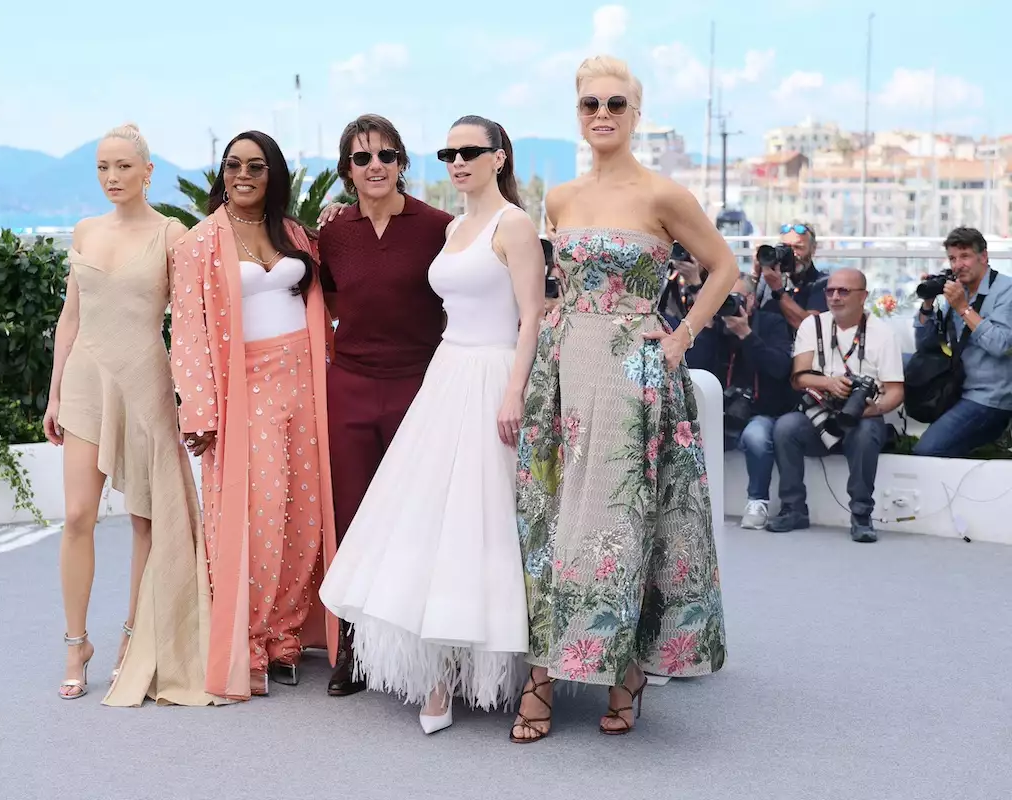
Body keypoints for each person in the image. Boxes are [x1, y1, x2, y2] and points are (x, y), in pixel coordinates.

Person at [513, 56, 735, 743]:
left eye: (615, 103)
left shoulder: (662, 194)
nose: (601, 114)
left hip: (635, 375)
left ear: (636, 114)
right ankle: (546, 669)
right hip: (564, 369)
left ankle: (619, 670)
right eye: (589, 104)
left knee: (618, 523)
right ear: (577, 115)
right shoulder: (560, 198)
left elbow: (724, 266)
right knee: (552, 517)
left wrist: (682, 337)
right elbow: (550, 285)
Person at [319, 116, 544, 734]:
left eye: (472, 151)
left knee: (487, 524)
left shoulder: (513, 224)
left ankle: (500, 669)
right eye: (450, 151)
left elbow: (532, 317)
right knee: (430, 524)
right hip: (444, 375)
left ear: (500, 158)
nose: (459, 159)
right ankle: (437, 674)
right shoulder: (455, 228)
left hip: (493, 377)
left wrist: (515, 391)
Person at [44, 123, 211, 705]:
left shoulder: (174, 235)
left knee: (146, 517)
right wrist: (55, 392)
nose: (112, 177)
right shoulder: (86, 231)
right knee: (77, 516)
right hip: (86, 379)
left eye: (122, 167)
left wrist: (198, 400)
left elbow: (194, 322)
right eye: (102, 167)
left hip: (144, 378)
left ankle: (133, 639)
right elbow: (71, 315)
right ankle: (75, 643)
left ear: (148, 172)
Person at [169, 130, 338, 700]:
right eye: (233, 164)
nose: (243, 174)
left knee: (305, 514)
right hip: (245, 392)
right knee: (259, 513)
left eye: (257, 166)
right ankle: (251, 640)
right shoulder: (199, 244)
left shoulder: (293, 235)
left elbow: (325, 301)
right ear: (222, 172)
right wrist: (200, 409)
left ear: (274, 175)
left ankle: (288, 636)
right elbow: (189, 330)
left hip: (305, 384)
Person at [314, 114, 454, 696]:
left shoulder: (439, 227)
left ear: (402, 164)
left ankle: (421, 649)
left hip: (418, 385)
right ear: (347, 170)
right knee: (351, 517)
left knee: (417, 518)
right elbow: (320, 301)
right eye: (363, 157)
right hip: (347, 385)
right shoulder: (331, 233)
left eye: (387, 156)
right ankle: (352, 648)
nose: (376, 166)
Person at [767, 268, 904, 542]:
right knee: (785, 428)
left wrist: (871, 409)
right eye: (830, 291)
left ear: (863, 296)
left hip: (863, 416)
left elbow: (895, 392)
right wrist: (829, 384)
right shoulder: (813, 324)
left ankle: (861, 516)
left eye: (843, 291)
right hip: (820, 414)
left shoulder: (882, 333)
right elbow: (799, 377)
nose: (835, 297)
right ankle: (794, 509)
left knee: (866, 432)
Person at [677, 274, 796, 530]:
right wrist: (705, 326)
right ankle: (686, 503)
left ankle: (757, 501)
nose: (727, 305)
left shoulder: (771, 323)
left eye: (734, 299)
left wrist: (746, 334)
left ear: (750, 300)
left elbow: (779, 368)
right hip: (718, 412)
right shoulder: (715, 327)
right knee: (685, 433)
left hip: (759, 411)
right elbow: (693, 369)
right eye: (721, 299)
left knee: (756, 437)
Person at [912, 227, 1012, 457]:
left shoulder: (1007, 290)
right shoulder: (958, 290)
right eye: (952, 258)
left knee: (926, 451)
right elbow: (925, 345)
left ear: (983, 257)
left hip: (990, 398)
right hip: (955, 389)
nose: (958, 265)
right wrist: (928, 304)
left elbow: (1002, 345)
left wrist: (962, 307)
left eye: (965, 256)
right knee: (902, 363)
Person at [755, 221, 829, 336]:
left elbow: (810, 327)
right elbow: (747, 311)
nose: (791, 254)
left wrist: (779, 291)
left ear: (813, 249)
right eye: (785, 247)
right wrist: (755, 274)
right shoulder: (768, 278)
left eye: (798, 247)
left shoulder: (822, 283)